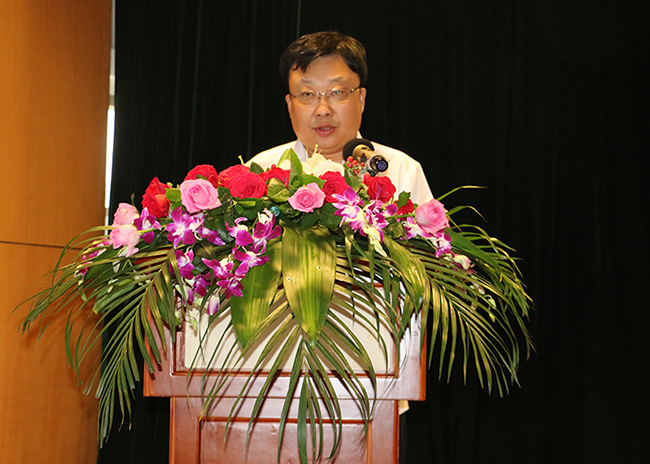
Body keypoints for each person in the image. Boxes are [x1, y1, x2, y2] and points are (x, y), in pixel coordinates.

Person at [248, 30, 434, 205]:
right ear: (290, 105)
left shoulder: (401, 172)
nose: (323, 110)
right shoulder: (258, 174)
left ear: (361, 99)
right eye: (307, 94)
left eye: (336, 92)